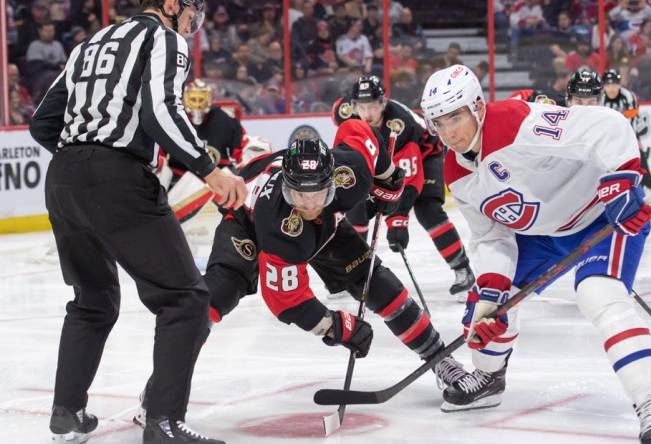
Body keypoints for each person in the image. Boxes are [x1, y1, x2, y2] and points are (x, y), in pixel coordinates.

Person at [133, 121, 471, 426]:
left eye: (318, 194)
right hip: (246, 223)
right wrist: (337, 326)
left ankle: (442, 361)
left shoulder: (350, 172)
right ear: (285, 188)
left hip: (326, 228)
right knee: (212, 299)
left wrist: (386, 177)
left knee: (377, 281)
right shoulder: (277, 223)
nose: (309, 205)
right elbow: (285, 301)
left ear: (333, 182)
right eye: (299, 195)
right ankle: (160, 395)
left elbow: (359, 130)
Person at [420, 65, 651, 444]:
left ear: (477, 107)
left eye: (455, 118)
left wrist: (622, 178)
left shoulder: (514, 123)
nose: (449, 133)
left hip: (602, 216)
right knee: (485, 307)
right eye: (438, 124)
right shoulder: (455, 171)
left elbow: (607, 125)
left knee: (597, 294)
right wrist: (492, 290)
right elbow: (491, 235)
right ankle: (490, 378)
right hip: (544, 236)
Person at [28, 0, 249, 443]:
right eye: (191, 10)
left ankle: (67, 413)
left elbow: (42, 123)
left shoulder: (90, 43)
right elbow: (160, 110)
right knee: (186, 299)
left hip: (63, 179)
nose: (193, 22)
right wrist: (210, 171)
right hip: (117, 177)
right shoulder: (164, 37)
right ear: (170, 4)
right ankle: (163, 424)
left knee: (92, 299)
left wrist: (83, 158)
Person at [332, 75, 475, 300]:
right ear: (352, 106)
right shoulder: (346, 117)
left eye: (372, 106)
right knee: (356, 209)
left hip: (426, 155)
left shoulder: (399, 126)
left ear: (383, 103)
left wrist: (398, 219)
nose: (367, 113)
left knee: (428, 210)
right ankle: (352, 274)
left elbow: (409, 179)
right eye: (361, 106)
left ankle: (462, 269)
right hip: (382, 159)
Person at [162, 79, 245, 190]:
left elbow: (241, 149)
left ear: (209, 99)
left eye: (201, 99)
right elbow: (160, 153)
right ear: (185, 99)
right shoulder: (171, 119)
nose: (197, 104)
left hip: (218, 177)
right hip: (179, 178)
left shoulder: (227, 119)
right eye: (193, 99)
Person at [601, 68, 651, 195]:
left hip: (629, 132)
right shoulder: (600, 98)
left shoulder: (628, 96)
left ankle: (649, 187)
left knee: (639, 156)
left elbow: (631, 119)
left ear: (619, 84)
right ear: (604, 86)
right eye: (608, 84)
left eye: (614, 84)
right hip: (609, 134)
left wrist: (632, 140)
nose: (611, 88)